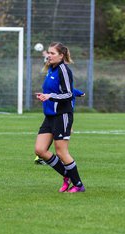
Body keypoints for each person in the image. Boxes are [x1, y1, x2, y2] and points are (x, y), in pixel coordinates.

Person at [34, 42, 85, 192]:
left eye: (52, 53)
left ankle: (78, 185)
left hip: (61, 115)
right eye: (48, 53)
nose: (49, 55)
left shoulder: (63, 70)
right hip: (49, 116)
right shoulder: (51, 69)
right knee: (40, 150)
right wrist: (45, 95)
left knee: (62, 152)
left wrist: (50, 96)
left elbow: (68, 94)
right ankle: (67, 175)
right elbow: (57, 90)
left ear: (61, 56)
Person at [34, 88, 85, 165]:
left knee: (52, 135)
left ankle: (41, 156)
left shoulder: (54, 92)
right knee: (64, 135)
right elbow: (83, 94)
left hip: (53, 116)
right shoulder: (72, 90)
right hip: (64, 115)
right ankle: (60, 157)